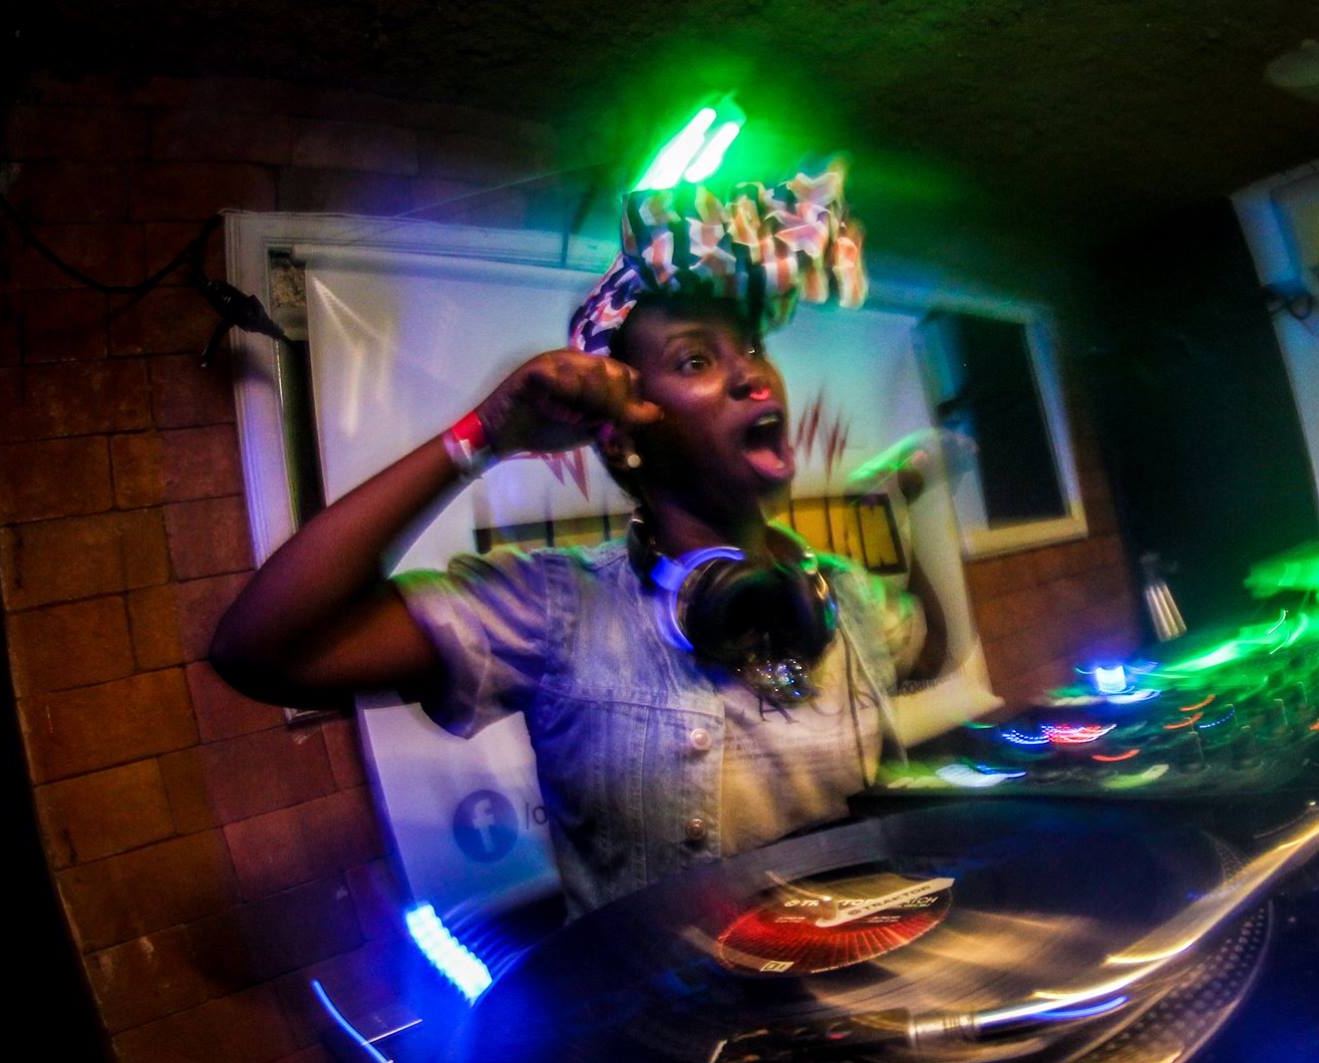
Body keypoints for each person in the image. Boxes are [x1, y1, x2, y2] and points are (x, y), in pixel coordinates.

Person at [211, 164, 940, 918]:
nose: (752, 378)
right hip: (668, 999)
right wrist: (484, 436)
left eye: (751, 348)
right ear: (624, 436)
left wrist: (908, 506)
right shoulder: (556, 608)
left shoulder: (837, 591)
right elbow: (262, 650)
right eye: (695, 360)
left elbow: (924, 643)